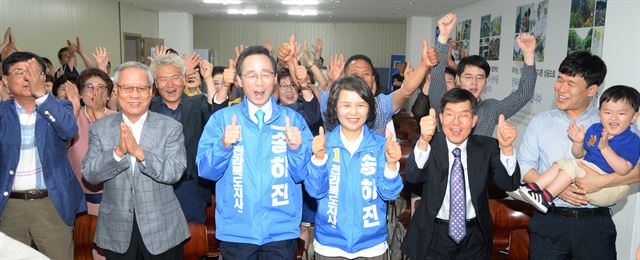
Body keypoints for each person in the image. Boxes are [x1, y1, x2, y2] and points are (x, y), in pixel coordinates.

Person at [196, 45, 317, 259]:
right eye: (251, 75)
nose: (259, 82)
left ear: (274, 79)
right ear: (240, 81)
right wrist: (224, 146)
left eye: (266, 75)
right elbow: (206, 171)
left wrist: (297, 149)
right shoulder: (222, 119)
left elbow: (304, 175)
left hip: (280, 233)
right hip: (237, 234)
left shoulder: (293, 120)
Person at [518, 51, 640, 259]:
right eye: (559, 80)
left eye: (571, 83)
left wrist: (601, 181)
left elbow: (636, 171)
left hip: (594, 224)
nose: (561, 89)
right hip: (550, 222)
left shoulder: (614, 121)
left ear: (592, 90)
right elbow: (525, 165)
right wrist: (558, 189)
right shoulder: (541, 121)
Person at [82, 61, 189, 259]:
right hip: (116, 228)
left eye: (141, 88)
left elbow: (174, 172)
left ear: (151, 91)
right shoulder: (100, 128)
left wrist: (140, 153)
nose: (134, 94)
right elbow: (90, 174)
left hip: (162, 229)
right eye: (128, 88)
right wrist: (118, 152)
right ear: (116, 91)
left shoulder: (170, 127)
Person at [401, 88, 521, 259]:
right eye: (450, 115)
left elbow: (510, 183)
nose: (456, 123)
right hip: (433, 235)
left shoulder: (487, 148)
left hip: (474, 236)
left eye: (464, 115)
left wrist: (507, 148)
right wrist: (424, 141)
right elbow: (413, 176)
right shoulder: (428, 145)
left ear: (474, 120)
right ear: (441, 118)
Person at [0, 51, 85, 260]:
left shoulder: (58, 107)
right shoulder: (2, 113)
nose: (27, 77)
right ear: (5, 80)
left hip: (51, 204)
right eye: (20, 72)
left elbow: (68, 130)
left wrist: (43, 97)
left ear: (43, 78)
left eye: (33, 72)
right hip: (10, 206)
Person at [307, 76, 403, 259]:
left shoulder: (381, 146)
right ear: (335, 107)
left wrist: (391, 164)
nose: (353, 112)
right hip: (330, 245)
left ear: (370, 109)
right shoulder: (323, 145)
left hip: (371, 246)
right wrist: (318, 160)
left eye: (361, 105)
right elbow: (314, 191)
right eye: (346, 105)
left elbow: (389, 194)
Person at [518, 85, 640, 213]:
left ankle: (545, 198)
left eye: (621, 113)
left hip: (606, 188)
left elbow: (624, 169)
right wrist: (578, 142)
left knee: (570, 165)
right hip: (583, 178)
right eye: (608, 112)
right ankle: (534, 189)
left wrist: (605, 149)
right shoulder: (595, 129)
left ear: (634, 116)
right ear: (600, 113)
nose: (613, 117)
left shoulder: (632, 140)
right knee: (563, 163)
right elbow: (578, 154)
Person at [148, 53, 227, 225]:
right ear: (155, 83)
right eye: (163, 79)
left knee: (192, 246)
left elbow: (218, 117)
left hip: (190, 187)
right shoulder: (147, 108)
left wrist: (210, 80)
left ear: (183, 79)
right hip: (156, 188)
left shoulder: (198, 104)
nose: (170, 85)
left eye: (175, 77)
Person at [429, 13, 537, 137]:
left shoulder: (491, 109)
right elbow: (437, 77)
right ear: (458, 79)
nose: (474, 83)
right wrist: (443, 37)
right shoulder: (444, 103)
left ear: (486, 81)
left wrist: (528, 54)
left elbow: (524, 94)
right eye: (468, 77)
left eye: (480, 78)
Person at [321, 40, 438, 136]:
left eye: (366, 74)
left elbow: (405, 91)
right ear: (344, 76)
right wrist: (333, 81)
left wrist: (423, 65)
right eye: (355, 74)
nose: (360, 78)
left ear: (373, 78)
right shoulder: (331, 103)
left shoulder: (380, 105)